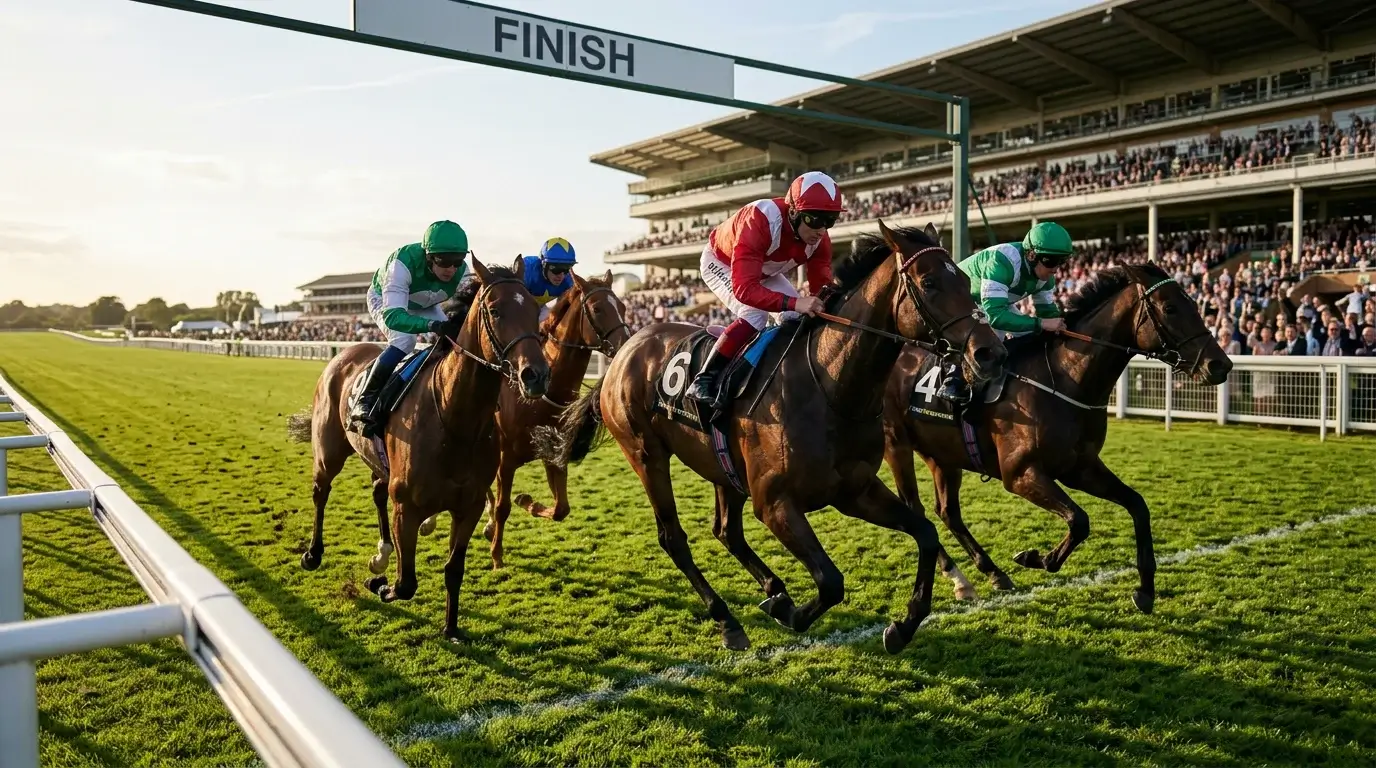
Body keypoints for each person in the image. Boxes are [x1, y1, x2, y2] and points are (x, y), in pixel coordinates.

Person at [686, 171, 843, 403]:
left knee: (795, 317)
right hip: (722, 262)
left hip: (765, 269)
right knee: (754, 315)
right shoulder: (760, 219)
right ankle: (704, 379)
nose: (821, 229)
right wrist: (795, 302)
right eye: (814, 219)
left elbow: (822, 290)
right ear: (793, 211)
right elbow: (744, 289)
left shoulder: (820, 240)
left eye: (829, 220)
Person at [351, 220, 471, 437]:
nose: (452, 269)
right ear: (428, 256)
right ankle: (365, 400)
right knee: (405, 341)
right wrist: (430, 324)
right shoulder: (401, 264)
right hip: (387, 302)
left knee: (460, 338)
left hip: (427, 303)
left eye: (458, 261)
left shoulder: (463, 272)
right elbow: (394, 317)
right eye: (444, 261)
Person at [936, 221, 1074, 403]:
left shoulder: (1046, 278)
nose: (1056, 269)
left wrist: (1063, 327)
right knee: (998, 333)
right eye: (1051, 261)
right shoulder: (1003, 261)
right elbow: (996, 317)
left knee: (1031, 334)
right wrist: (1040, 323)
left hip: (996, 303)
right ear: (1031, 255)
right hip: (960, 299)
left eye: (1062, 261)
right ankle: (954, 379)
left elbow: (1048, 315)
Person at [520, 237, 578, 323]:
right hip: (521, 307)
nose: (561, 276)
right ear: (543, 264)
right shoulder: (527, 270)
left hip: (543, 309)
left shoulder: (568, 280)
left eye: (566, 269)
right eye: (556, 269)